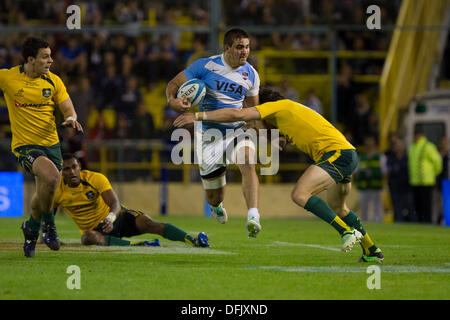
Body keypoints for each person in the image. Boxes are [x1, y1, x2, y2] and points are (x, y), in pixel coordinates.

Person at [174, 87, 384, 263]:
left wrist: (197, 116)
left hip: (336, 155)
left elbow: (240, 115)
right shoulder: (290, 110)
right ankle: (371, 251)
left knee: (300, 194)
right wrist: (278, 136)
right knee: (340, 207)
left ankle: (346, 232)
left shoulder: (277, 106)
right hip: (346, 153)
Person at [166, 28, 263, 238]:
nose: (244, 52)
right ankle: (217, 205)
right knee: (213, 196)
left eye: (247, 47)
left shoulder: (251, 74)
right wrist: (173, 101)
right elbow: (173, 85)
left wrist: (258, 131)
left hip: (236, 130)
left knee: (247, 160)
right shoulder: (205, 65)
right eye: (239, 47)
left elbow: (252, 111)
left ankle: (253, 215)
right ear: (227, 48)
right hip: (209, 136)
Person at [0, 37, 83, 258]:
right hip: (25, 146)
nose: (51, 60)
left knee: (42, 194)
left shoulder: (53, 81)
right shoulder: (7, 77)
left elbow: (68, 107)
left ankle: (31, 230)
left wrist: (71, 118)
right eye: (45, 56)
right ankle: (49, 226)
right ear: (30, 59)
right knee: (53, 177)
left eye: (50, 56)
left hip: (51, 145)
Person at [52, 153, 209, 248]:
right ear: (61, 171)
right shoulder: (56, 190)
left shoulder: (95, 178)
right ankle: (140, 245)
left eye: (74, 167)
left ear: (79, 166)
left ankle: (193, 239)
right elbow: (48, 215)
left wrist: (110, 218)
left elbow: (114, 203)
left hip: (116, 218)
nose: (72, 171)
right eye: (67, 169)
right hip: (95, 230)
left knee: (149, 223)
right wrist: (45, 237)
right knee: (87, 238)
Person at [408, 126, 443, 223]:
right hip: (415, 181)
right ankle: (420, 223)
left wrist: (434, 173)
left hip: (427, 181)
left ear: (421, 135)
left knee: (427, 206)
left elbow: (437, 161)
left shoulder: (428, 146)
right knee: (417, 205)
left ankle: (427, 223)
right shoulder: (412, 148)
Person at [354, 135, 384, 222]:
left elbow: (385, 172)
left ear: (374, 145)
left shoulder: (380, 157)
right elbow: (356, 172)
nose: (369, 146)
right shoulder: (361, 157)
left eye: (371, 144)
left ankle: (378, 222)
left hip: (376, 186)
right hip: (363, 186)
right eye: (367, 144)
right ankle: (364, 222)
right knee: (364, 207)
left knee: (377, 206)